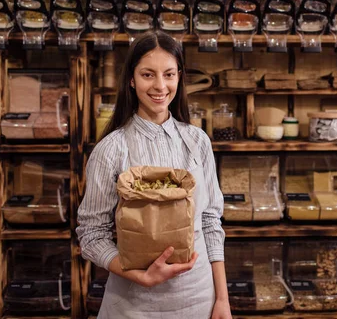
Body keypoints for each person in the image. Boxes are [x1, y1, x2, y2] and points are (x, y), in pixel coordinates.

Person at [77, 31, 231, 319]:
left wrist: (222, 299)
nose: (160, 86)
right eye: (148, 75)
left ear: (179, 78)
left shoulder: (197, 141)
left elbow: (211, 221)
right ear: (131, 80)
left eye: (169, 74)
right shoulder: (111, 149)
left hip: (198, 298)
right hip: (134, 304)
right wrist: (138, 276)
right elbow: (91, 234)